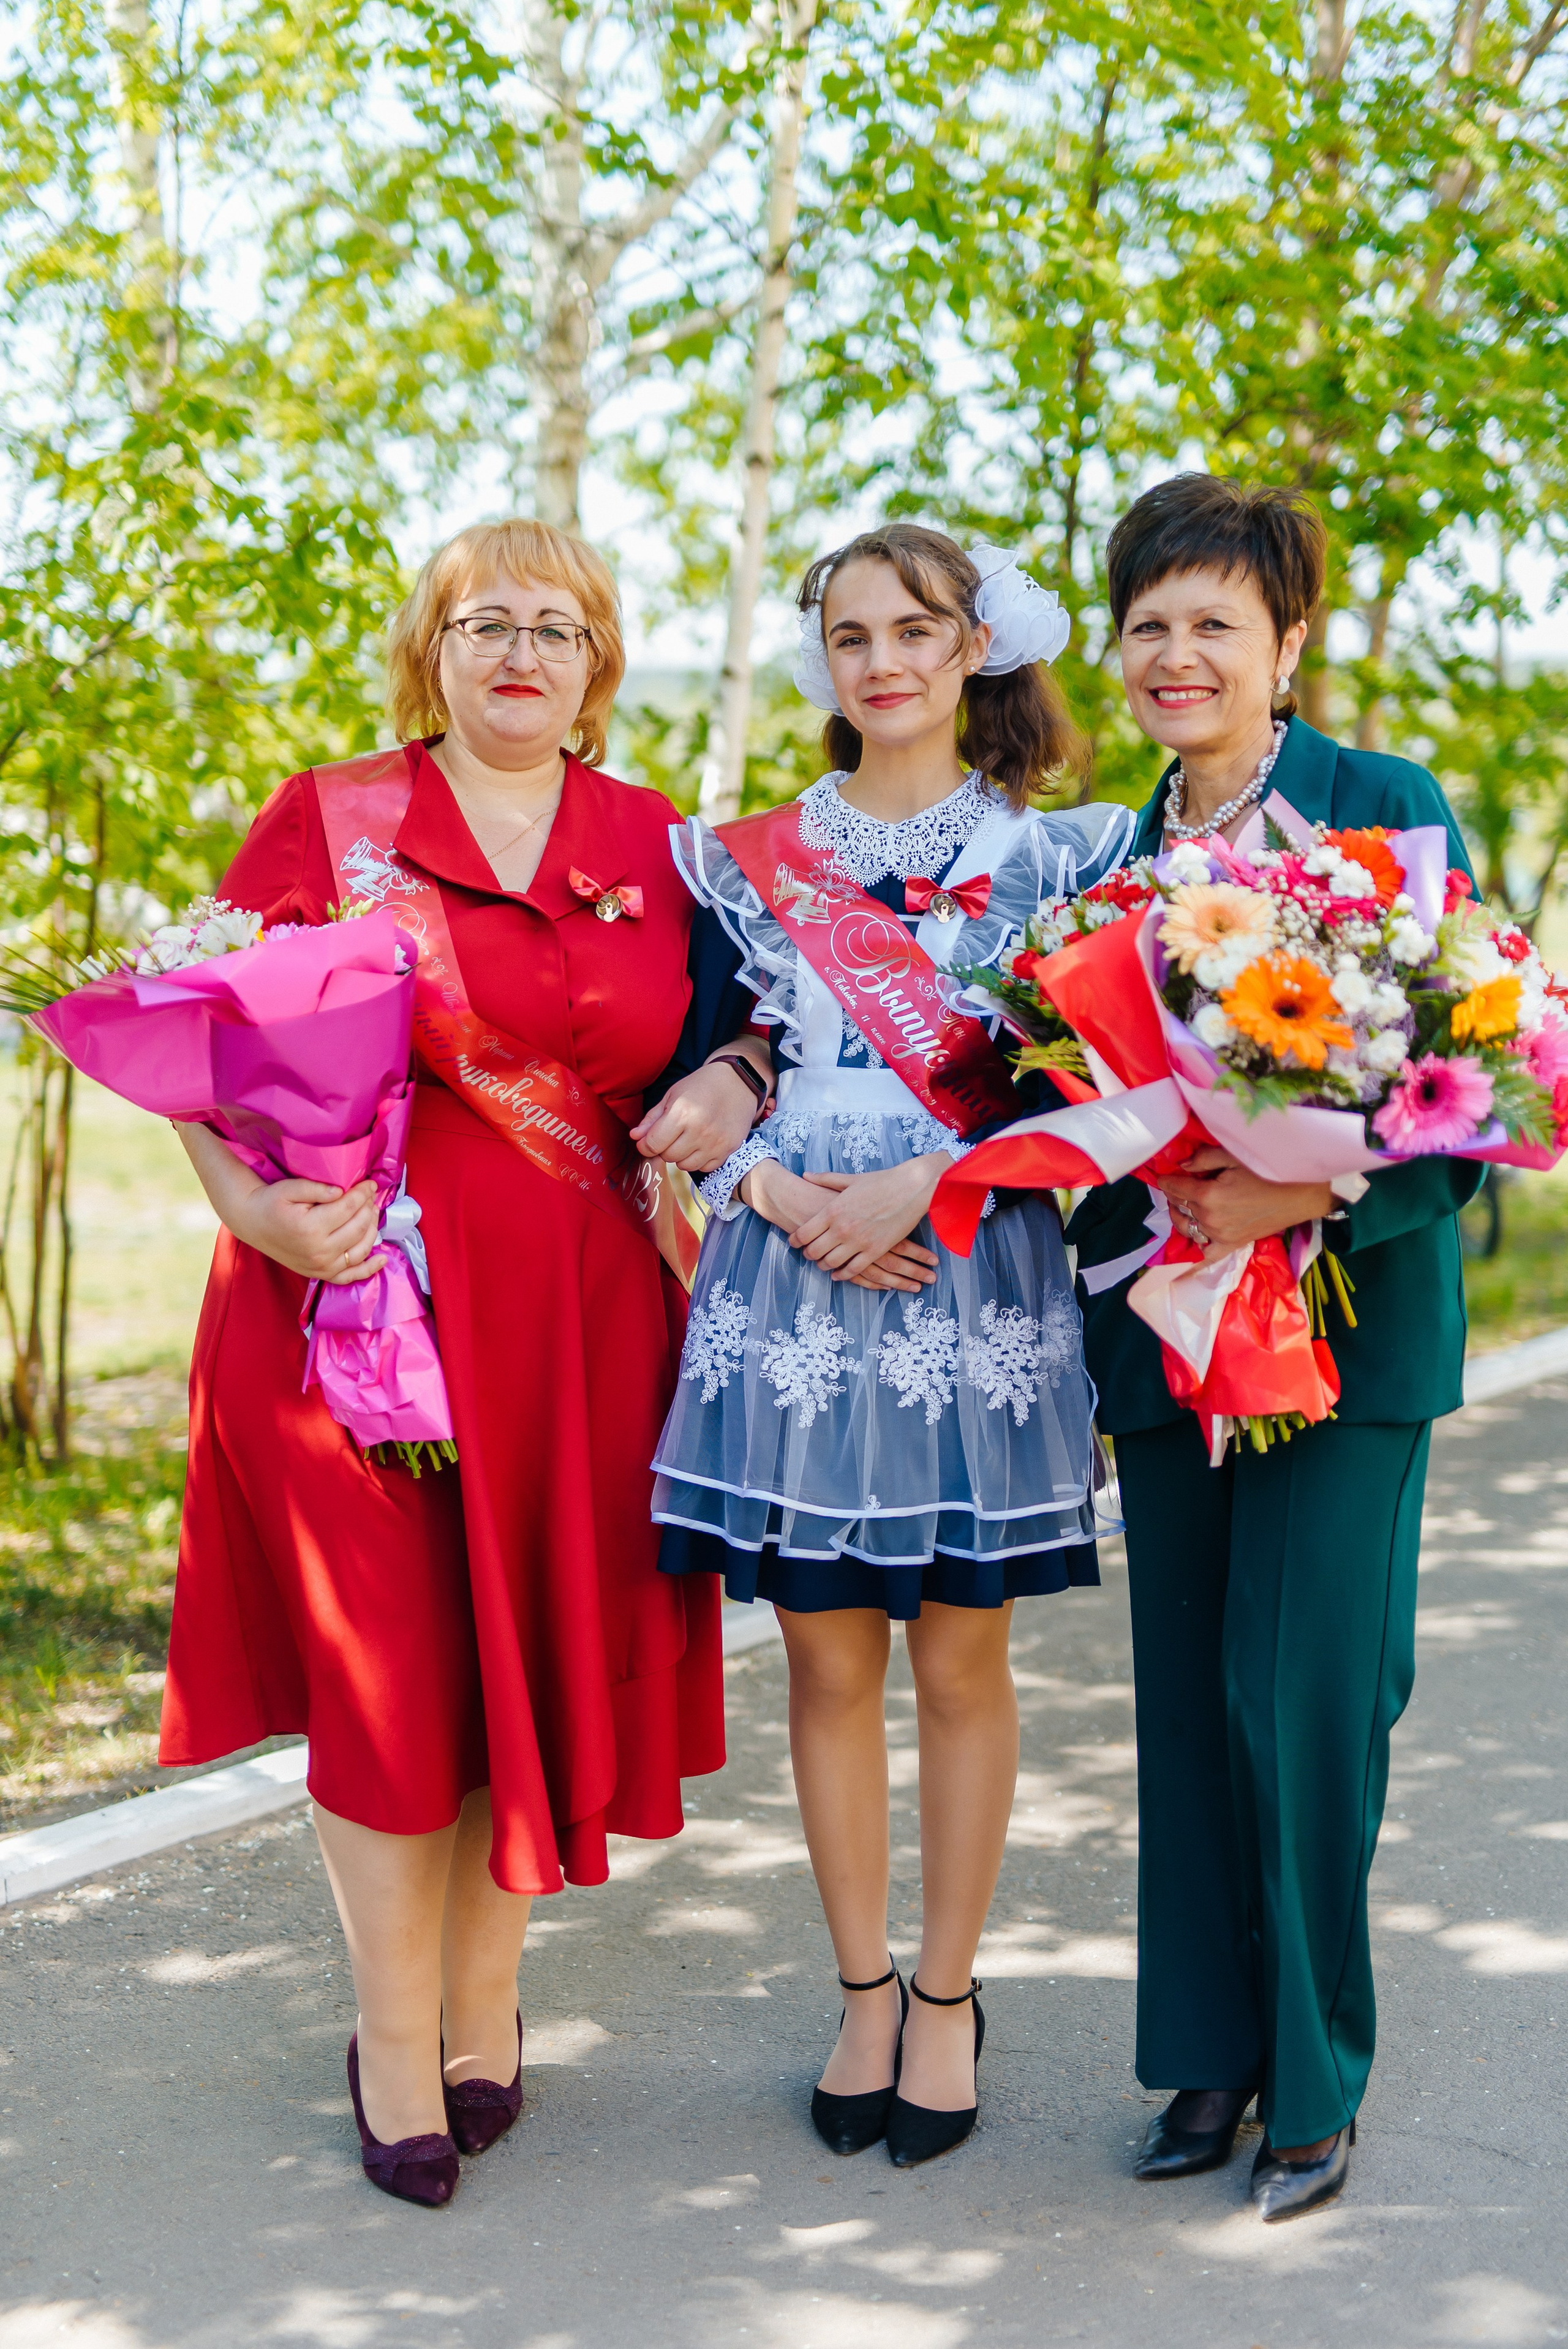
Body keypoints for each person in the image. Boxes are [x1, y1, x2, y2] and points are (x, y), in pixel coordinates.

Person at [162, 518, 772, 2206]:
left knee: (525, 1658)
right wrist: (263, 1218)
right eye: (486, 622)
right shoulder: (332, 817)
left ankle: (490, 2000)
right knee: (393, 1672)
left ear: (599, 666)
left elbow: (744, 1026)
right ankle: (389, 2030)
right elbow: (194, 1050)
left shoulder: (659, 840)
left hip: (577, 1331)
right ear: (432, 647)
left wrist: (731, 1075)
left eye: (557, 629)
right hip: (349, 1321)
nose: (521, 651)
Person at [654, 525, 1134, 2166]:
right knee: (826, 1653)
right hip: (793, 1274)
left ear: (978, 645)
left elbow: (1091, 1085)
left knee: (960, 1652)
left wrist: (932, 1174)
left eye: (917, 630)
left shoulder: (1065, 855)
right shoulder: (740, 858)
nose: (884, 663)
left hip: (969, 1267)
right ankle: (859, 1985)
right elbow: (705, 1068)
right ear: (822, 663)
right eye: (849, 635)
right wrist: (783, 1189)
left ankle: (947, 1995)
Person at [1068, 474, 1483, 2222]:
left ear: (1288, 642)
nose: (1180, 654)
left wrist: (1297, 1210)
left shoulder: (1385, 814)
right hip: (1170, 1350)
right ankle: (1210, 2056)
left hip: (1348, 1338)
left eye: (1216, 622)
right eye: (1150, 622)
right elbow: (1064, 1099)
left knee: (1304, 1701)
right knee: (1186, 1707)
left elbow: (1476, 1090)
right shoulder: (1104, 861)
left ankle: (1317, 2077)